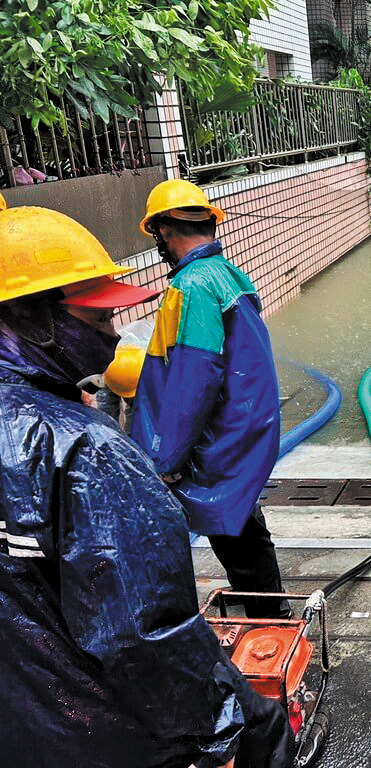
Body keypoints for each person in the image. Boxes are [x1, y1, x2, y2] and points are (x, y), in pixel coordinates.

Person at [0, 197, 294, 767]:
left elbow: (186, 391)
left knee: (239, 539)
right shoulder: (87, 453)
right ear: (35, 320)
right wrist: (226, 723)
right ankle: (269, 616)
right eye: (100, 318)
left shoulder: (191, 289)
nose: (112, 336)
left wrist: (158, 458)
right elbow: (143, 639)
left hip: (21, 712)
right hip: (94, 727)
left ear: (162, 231)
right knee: (265, 729)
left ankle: (265, 608)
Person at [132, 180, 288, 619]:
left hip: (214, 436)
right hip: (241, 426)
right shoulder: (226, 273)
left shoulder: (191, 286)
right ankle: (266, 603)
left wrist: (167, 461)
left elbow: (193, 382)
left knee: (231, 528)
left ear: (162, 229)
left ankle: (269, 619)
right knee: (240, 520)